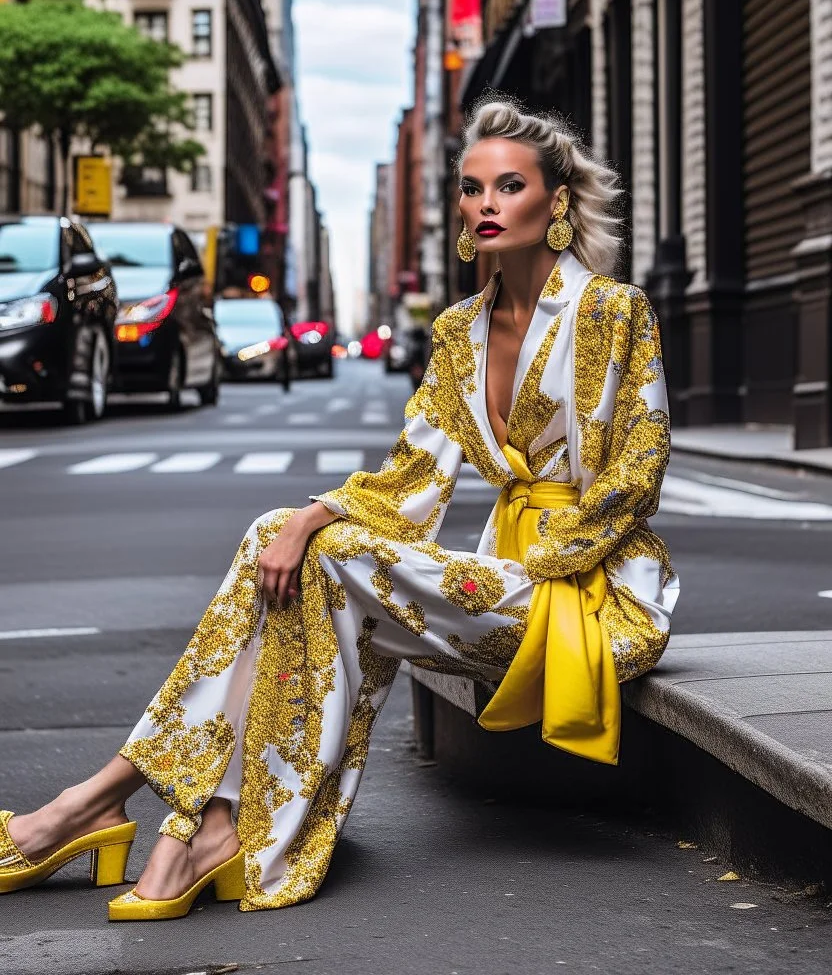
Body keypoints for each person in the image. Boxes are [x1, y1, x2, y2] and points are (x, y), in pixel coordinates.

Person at [1, 99, 679, 920]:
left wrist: (536, 563)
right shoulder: (460, 332)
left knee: (323, 558)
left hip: (594, 597)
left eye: (510, 185)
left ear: (557, 201)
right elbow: (411, 482)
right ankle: (194, 820)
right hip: (500, 587)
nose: (487, 203)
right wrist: (306, 516)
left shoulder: (612, 312)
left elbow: (636, 474)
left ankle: (109, 809)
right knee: (275, 541)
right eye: (472, 188)